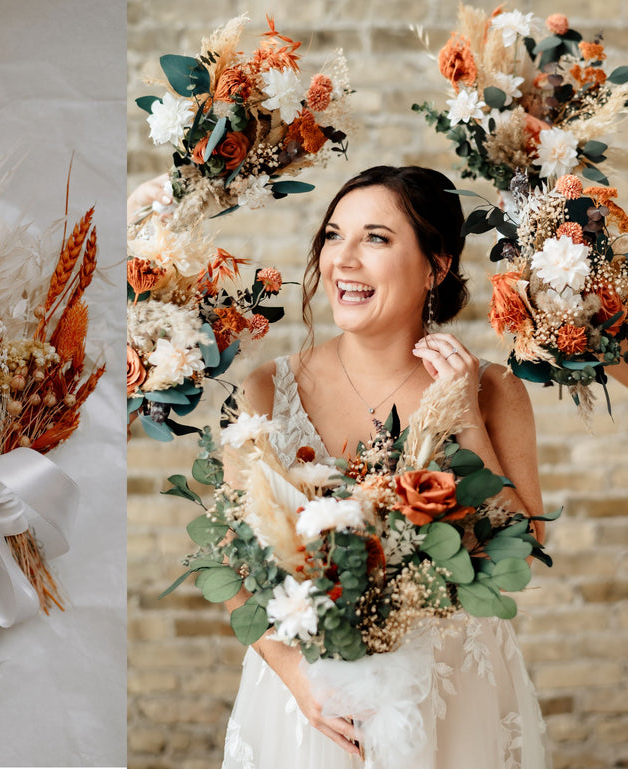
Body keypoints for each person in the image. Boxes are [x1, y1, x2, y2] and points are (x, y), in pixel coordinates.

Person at [132, 166, 550, 767]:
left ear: (437, 264)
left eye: (376, 239)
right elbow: (229, 558)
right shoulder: (266, 391)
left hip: (455, 696)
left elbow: (525, 553)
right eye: (333, 236)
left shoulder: (494, 390)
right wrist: (299, 679)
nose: (343, 260)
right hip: (312, 706)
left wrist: (464, 419)